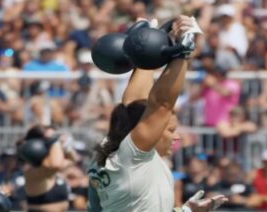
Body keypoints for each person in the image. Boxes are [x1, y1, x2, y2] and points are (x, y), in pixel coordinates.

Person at [87, 16, 227, 212]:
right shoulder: (129, 158)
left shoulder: (115, 155)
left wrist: (151, 40)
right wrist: (183, 51)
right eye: (169, 129)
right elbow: (161, 105)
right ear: (142, 130)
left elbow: (133, 105)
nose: (176, 136)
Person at [20, 125, 78, 212]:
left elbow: (72, 160)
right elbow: (56, 165)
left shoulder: (49, 168)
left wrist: (67, 147)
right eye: (50, 138)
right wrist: (54, 142)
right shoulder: (32, 170)